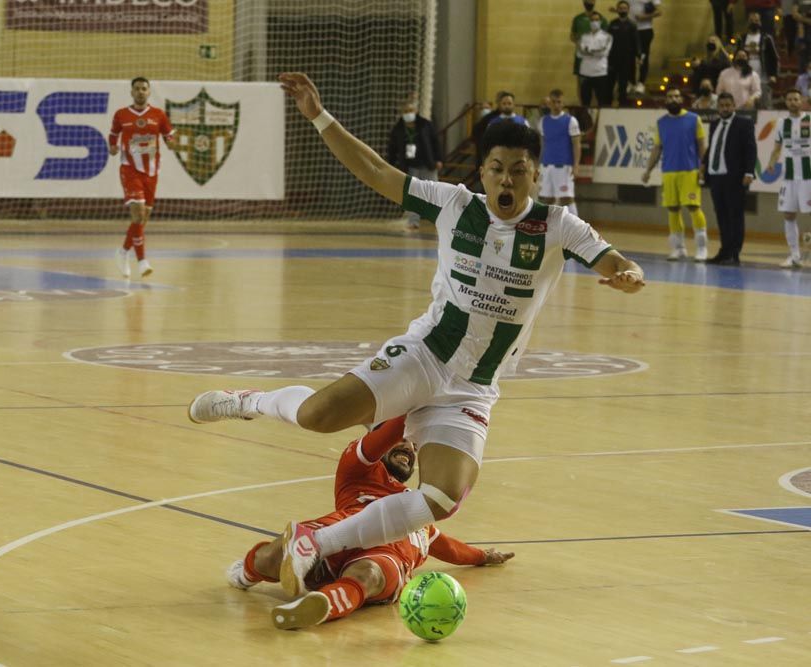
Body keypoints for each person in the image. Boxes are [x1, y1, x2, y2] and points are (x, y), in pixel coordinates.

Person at [189, 72, 646, 598]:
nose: (507, 181)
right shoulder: (454, 205)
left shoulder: (559, 226)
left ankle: (320, 542)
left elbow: (614, 259)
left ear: (535, 175)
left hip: (474, 385)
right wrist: (318, 115)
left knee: (443, 496)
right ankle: (244, 400)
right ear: (483, 171)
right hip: (425, 356)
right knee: (318, 416)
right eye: (497, 169)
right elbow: (377, 171)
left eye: (519, 172)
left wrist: (627, 275)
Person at [227, 416, 514, 630]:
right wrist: (417, 409)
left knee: (370, 573)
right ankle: (248, 572)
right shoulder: (358, 470)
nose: (409, 447)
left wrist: (483, 556)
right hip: (338, 531)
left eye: (414, 445)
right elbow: (386, 434)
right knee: (281, 552)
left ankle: (318, 606)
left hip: (385, 557)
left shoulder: (419, 507)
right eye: (402, 441)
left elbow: (447, 547)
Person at [108, 76, 175, 279]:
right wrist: (112, 146)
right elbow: (113, 135)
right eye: (136, 88)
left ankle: (122, 252)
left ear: (149, 92)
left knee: (143, 219)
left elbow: (169, 134)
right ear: (131, 92)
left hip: (151, 172)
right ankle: (142, 261)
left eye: (144, 88)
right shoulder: (121, 114)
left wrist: (172, 141)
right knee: (137, 215)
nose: (140, 92)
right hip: (130, 170)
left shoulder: (159, 115)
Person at [642, 88, 710, 261]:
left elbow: (702, 147)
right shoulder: (661, 123)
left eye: (677, 96)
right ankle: (678, 248)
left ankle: (702, 247)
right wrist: (648, 170)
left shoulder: (694, 119)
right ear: (666, 100)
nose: (673, 99)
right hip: (669, 172)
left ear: (682, 99)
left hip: (690, 171)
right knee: (672, 209)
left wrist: (703, 168)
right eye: (670, 96)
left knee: (693, 207)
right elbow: (657, 148)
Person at [703, 93, 757, 265]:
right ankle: (724, 250)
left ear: (734, 106)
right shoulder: (714, 124)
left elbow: (751, 149)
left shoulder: (744, 123)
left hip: (734, 177)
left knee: (735, 215)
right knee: (721, 215)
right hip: (716, 176)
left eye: (728, 105)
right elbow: (712, 147)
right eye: (722, 105)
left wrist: (749, 172)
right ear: (718, 107)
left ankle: (734, 253)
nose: (725, 108)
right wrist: (704, 165)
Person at [767, 89, 811, 267]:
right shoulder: (781, 123)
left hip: (808, 176)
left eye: (796, 99)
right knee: (788, 214)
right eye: (790, 99)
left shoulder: (809, 120)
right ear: (785, 102)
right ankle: (795, 256)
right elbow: (777, 148)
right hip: (789, 176)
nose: (793, 102)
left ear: (802, 101)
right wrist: (771, 161)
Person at [387, 97, 443, 230]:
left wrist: (439, 159)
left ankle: (441, 220)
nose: (408, 113)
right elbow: (392, 149)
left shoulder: (425, 124)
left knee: (435, 193)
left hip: (428, 164)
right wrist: (391, 165)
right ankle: (413, 221)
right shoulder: (398, 129)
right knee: (413, 196)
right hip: (411, 166)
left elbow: (435, 143)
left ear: (416, 110)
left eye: (411, 110)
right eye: (405, 111)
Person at [538, 89, 582, 216]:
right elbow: (542, 145)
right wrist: (538, 165)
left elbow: (576, 144)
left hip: (564, 167)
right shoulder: (543, 121)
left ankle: (576, 229)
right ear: (549, 103)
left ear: (563, 103)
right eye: (553, 102)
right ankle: (545, 228)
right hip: (546, 166)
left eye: (559, 102)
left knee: (566, 199)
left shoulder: (571, 121)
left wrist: (576, 165)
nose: (556, 105)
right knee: (545, 199)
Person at [740, 12, 780, 109]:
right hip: (745, 74)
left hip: (763, 74)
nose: (754, 23)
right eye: (752, 21)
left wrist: (773, 75)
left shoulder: (766, 38)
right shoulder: (742, 38)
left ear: (760, 22)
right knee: (747, 103)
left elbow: (774, 57)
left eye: (756, 20)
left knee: (765, 103)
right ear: (748, 22)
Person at [608, 1, 641, 106]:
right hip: (612, 60)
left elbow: (637, 43)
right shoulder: (612, 24)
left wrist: (638, 56)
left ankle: (622, 106)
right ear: (617, 9)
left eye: (624, 8)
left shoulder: (632, 25)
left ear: (628, 10)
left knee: (623, 87)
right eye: (620, 8)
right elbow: (606, 41)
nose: (622, 10)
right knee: (609, 85)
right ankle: (607, 106)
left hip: (626, 61)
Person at [578, 12, 614, 107]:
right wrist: (596, 51)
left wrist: (588, 50)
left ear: (601, 21)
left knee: (602, 101)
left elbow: (604, 53)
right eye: (592, 20)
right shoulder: (584, 36)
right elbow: (580, 53)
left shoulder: (607, 36)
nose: (594, 22)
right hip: (585, 72)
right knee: (585, 101)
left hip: (600, 72)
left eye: (597, 20)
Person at [629, 0, 662, 94]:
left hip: (645, 30)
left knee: (643, 56)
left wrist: (644, 17)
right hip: (630, 29)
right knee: (630, 56)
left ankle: (641, 83)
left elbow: (659, 11)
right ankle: (631, 82)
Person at [571, 1, 610, 80]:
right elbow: (572, 36)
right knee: (582, 84)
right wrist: (579, 43)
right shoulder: (578, 19)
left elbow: (606, 39)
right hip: (582, 57)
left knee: (596, 84)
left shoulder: (602, 19)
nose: (589, 2)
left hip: (597, 58)